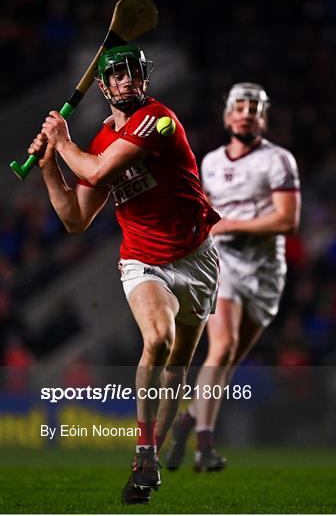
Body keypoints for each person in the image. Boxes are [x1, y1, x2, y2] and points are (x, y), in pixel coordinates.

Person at [28, 44, 220, 504]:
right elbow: (75, 219)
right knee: (158, 338)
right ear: (104, 86)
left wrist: (62, 140)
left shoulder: (159, 120)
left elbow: (99, 168)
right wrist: (49, 164)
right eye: (117, 76)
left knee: (177, 367)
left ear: (144, 79)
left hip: (197, 259)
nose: (127, 81)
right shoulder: (94, 142)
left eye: (134, 74)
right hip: (142, 260)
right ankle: (143, 455)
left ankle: (149, 456)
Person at [165, 82, 301, 471]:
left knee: (227, 363)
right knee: (220, 350)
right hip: (221, 266)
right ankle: (204, 447)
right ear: (227, 115)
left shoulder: (279, 161)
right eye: (239, 106)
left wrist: (232, 225)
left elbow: (288, 221)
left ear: (263, 117)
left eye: (253, 107)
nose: (245, 112)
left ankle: (187, 421)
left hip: (266, 272)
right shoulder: (209, 163)